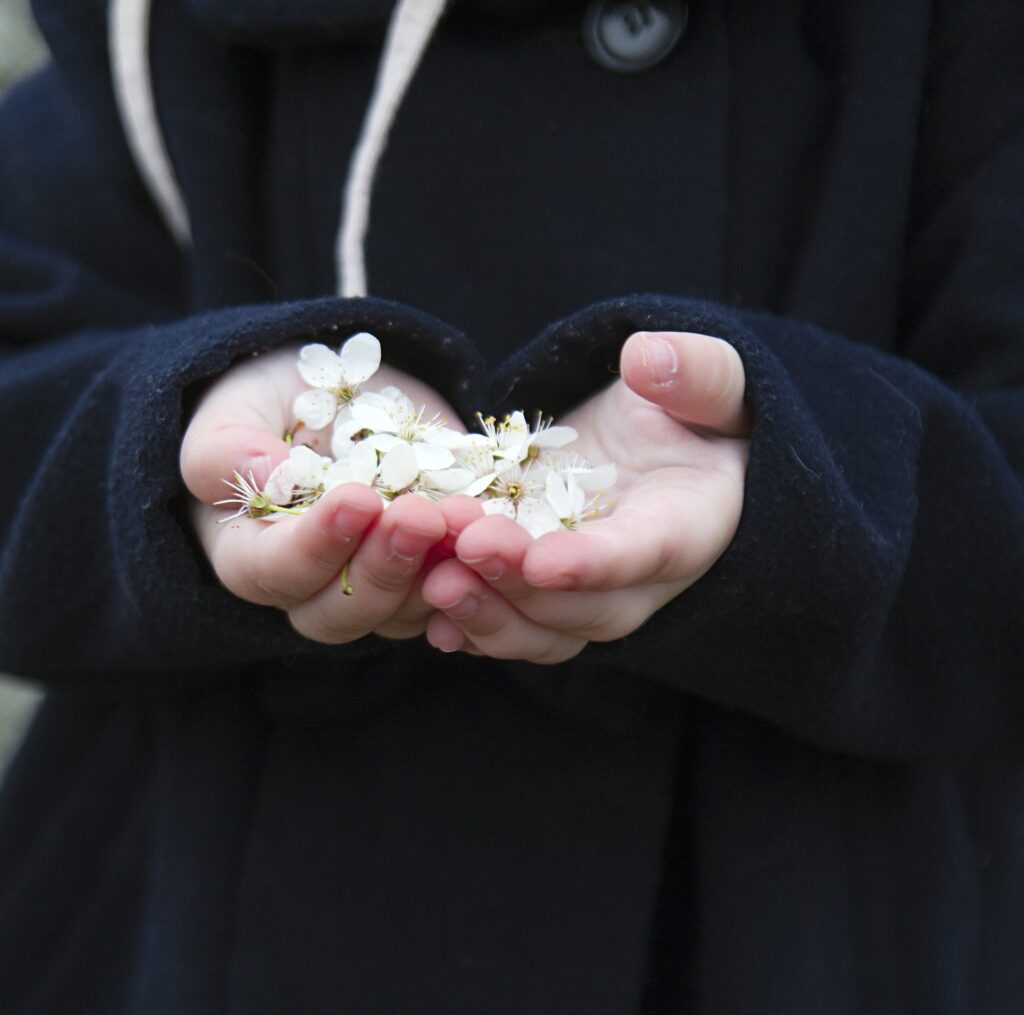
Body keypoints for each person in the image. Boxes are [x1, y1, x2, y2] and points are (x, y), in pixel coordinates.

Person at [0, 0, 1022, 1011]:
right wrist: (175, 437)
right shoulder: (160, 28)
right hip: (204, 918)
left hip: (807, 924)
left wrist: (805, 484)